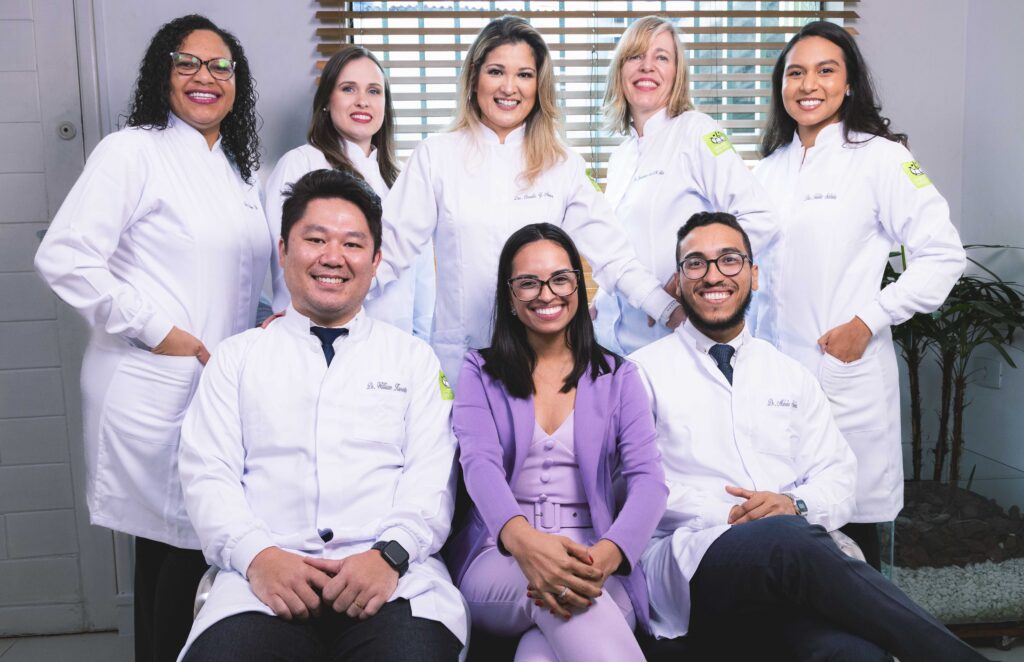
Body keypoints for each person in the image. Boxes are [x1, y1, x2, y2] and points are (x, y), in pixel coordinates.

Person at [631, 212, 982, 661]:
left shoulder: (790, 376)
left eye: (730, 260)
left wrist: (791, 504)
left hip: (789, 570)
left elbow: (838, 477)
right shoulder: (640, 374)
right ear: (678, 282)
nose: (713, 274)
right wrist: (745, 514)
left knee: (855, 655)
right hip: (695, 563)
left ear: (754, 276)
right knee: (784, 539)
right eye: (695, 263)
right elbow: (635, 486)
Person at [33, 15, 271, 660]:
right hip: (153, 381)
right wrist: (156, 330)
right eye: (186, 62)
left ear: (236, 82)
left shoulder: (236, 171)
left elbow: (248, 276)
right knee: (180, 542)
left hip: (214, 383)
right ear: (162, 75)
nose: (204, 77)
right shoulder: (132, 151)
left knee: (192, 545)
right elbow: (66, 256)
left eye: (220, 66)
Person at [176, 169, 465, 661]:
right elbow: (208, 475)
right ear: (284, 250)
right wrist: (259, 556)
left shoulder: (413, 359)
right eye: (315, 240)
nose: (333, 257)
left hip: (391, 577)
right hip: (264, 579)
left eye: (353, 244)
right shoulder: (237, 358)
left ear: (376, 261)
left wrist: (390, 553)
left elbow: (432, 478)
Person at [754, 21, 966, 568]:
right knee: (781, 533)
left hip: (842, 371)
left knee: (853, 532)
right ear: (781, 85)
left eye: (827, 71)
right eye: (795, 72)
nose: (809, 84)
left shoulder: (881, 158)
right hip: (774, 380)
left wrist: (868, 320)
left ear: (849, 84)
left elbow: (943, 255)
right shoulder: (766, 170)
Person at [372, 15, 681, 388]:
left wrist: (671, 311)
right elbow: (387, 254)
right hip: (464, 360)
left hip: (544, 366)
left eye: (524, 75)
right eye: (496, 71)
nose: (509, 87)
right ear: (474, 78)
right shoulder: (435, 157)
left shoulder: (563, 164)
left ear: (539, 86)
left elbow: (614, 257)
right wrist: (314, 314)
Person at [447, 223, 667, 661]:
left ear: (579, 286)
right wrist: (525, 543)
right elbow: (479, 465)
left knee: (538, 653)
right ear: (509, 296)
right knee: (558, 593)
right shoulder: (479, 371)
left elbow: (649, 482)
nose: (546, 294)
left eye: (560, 279)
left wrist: (606, 556)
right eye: (528, 282)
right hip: (501, 558)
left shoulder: (619, 376)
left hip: (596, 560)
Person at [594, 16, 776, 355]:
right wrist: (601, 303)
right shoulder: (620, 157)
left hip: (676, 335)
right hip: (615, 342)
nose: (647, 67)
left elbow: (760, 216)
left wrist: (693, 272)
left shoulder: (697, 131)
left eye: (661, 57)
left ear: (677, 73)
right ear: (620, 71)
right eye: (635, 56)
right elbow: (622, 247)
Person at [264, 45, 435, 338]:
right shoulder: (300, 163)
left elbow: (421, 282)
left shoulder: (402, 181)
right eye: (348, 89)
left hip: (395, 346)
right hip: (316, 340)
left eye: (373, 91)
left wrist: (421, 344)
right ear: (327, 100)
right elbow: (286, 264)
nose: (362, 102)